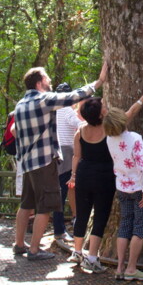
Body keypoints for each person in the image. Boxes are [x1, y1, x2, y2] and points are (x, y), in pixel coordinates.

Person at [12, 63, 107, 261]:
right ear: (39, 83)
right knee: (46, 206)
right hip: (43, 161)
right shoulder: (42, 100)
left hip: (27, 162)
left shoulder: (20, 104)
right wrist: (98, 82)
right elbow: (71, 97)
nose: (50, 82)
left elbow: (15, 132)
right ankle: (35, 250)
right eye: (47, 79)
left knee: (26, 204)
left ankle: (19, 244)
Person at [68, 85, 143, 273]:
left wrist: (74, 174)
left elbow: (77, 155)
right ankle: (96, 257)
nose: (106, 108)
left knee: (83, 213)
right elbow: (130, 115)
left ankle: (79, 252)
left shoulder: (83, 131)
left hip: (87, 175)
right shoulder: (110, 132)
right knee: (103, 216)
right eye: (103, 107)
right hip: (108, 179)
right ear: (100, 116)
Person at [105, 108, 143, 281]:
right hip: (139, 189)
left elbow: (124, 153)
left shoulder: (109, 139)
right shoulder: (135, 138)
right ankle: (131, 268)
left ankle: (119, 267)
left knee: (125, 224)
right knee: (140, 226)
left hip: (122, 187)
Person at [53, 84, 80, 250]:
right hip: (67, 154)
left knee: (59, 192)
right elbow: (78, 124)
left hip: (55, 153)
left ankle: (60, 228)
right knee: (62, 192)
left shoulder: (53, 109)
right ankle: (59, 231)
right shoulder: (67, 110)